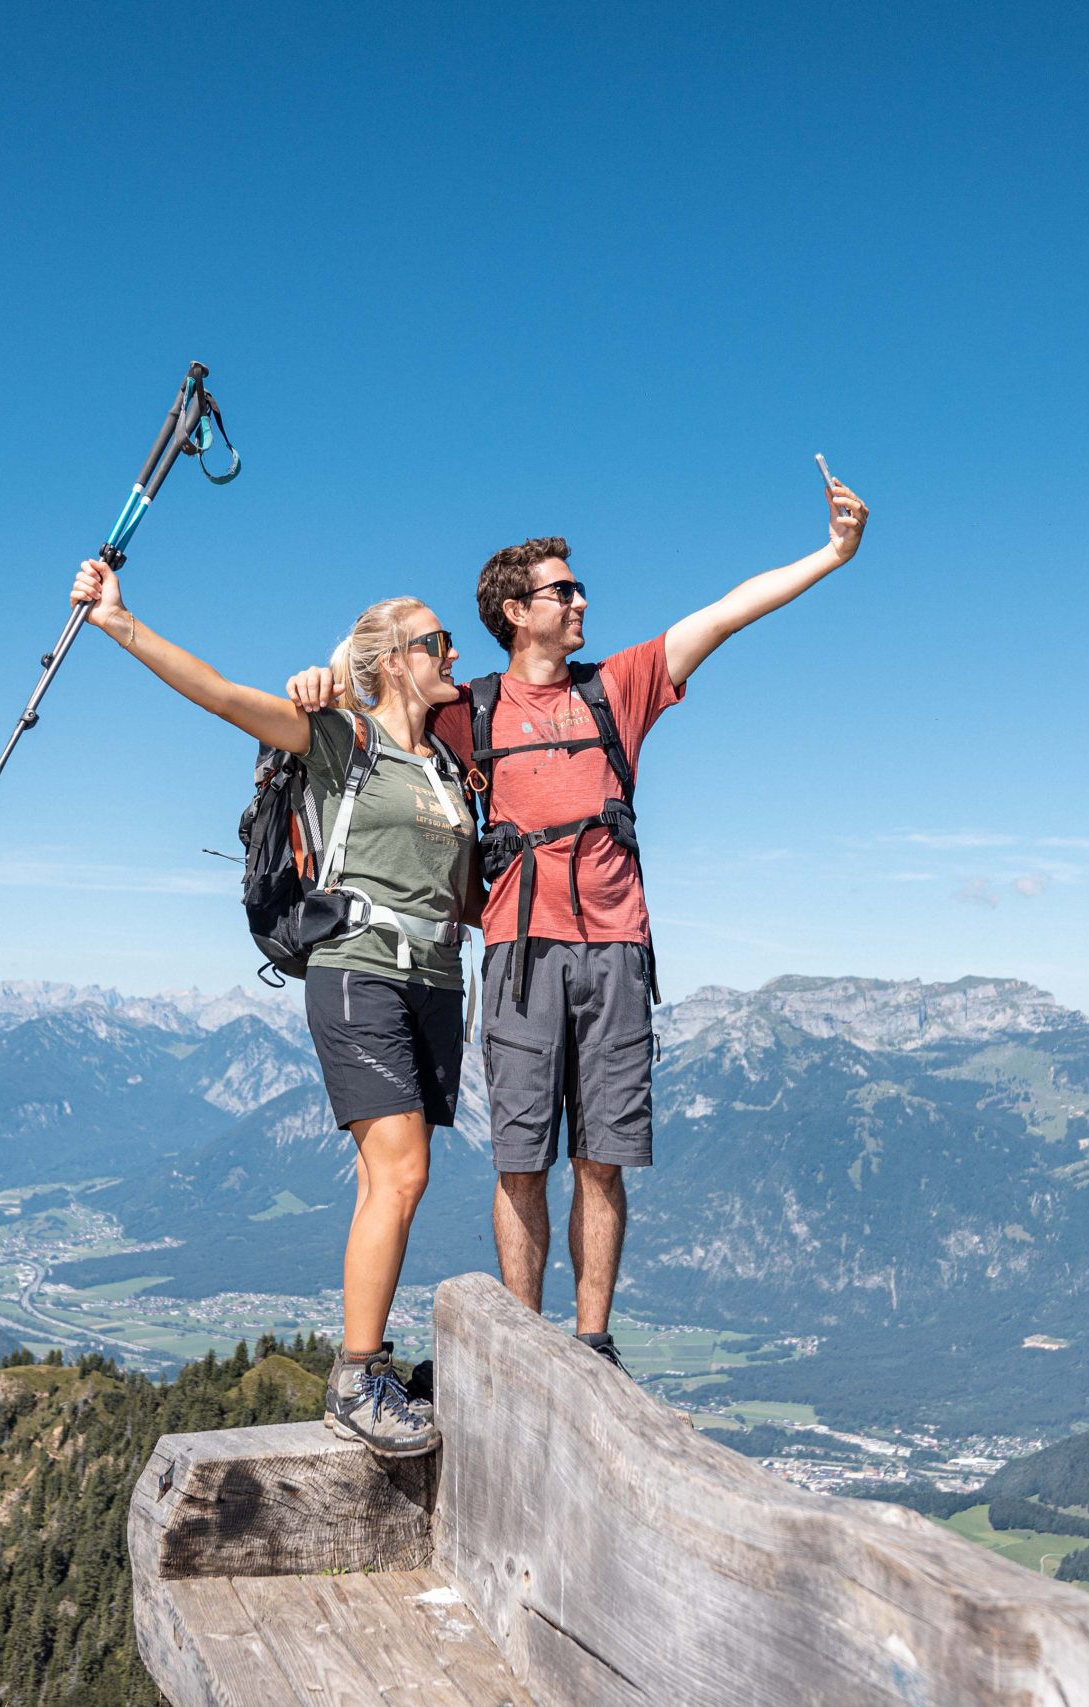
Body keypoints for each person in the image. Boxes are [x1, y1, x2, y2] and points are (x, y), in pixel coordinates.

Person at [288, 472, 871, 1366]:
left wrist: (832, 555)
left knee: (603, 1159)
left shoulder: (618, 689)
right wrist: (322, 678)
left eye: (577, 587)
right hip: (521, 951)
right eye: (564, 590)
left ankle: (591, 1345)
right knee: (520, 1162)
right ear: (516, 611)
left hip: (619, 952)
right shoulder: (465, 706)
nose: (582, 599)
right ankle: (525, 1353)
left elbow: (724, 614)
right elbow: (380, 705)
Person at [68, 557, 476, 1456]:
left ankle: (367, 1366)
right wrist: (118, 621)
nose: (454, 652)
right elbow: (217, 695)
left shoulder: (446, 761)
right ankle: (357, 1375)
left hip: (438, 984)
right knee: (400, 1173)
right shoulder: (342, 738)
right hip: (358, 971)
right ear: (394, 661)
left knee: (395, 1178)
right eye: (437, 642)